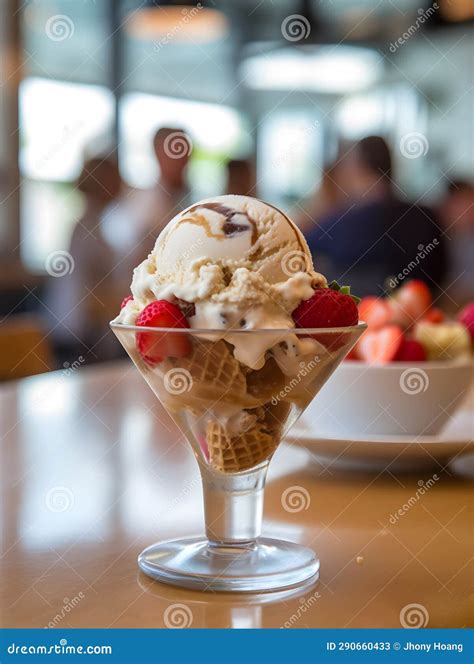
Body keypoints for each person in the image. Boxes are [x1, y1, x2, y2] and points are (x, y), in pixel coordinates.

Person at [305, 136, 447, 296]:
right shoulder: (425, 216)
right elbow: (440, 273)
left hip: (356, 315)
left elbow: (300, 247)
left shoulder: (341, 222)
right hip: (422, 310)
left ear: (356, 167)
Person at [45, 157, 123, 363]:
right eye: (115, 177)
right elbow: (82, 291)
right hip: (80, 334)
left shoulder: (93, 225)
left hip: (80, 330)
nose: (121, 183)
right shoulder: (87, 229)